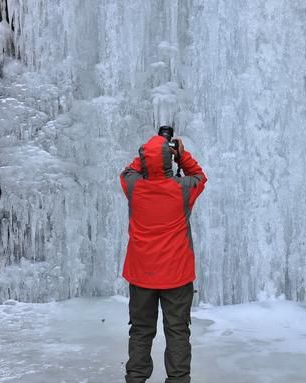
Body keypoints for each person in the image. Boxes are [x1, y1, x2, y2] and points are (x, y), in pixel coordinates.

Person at [119, 129, 207, 383]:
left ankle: (135, 378)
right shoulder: (183, 189)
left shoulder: (134, 187)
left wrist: (148, 153)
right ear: (170, 159)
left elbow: (128, 172)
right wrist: (181, 155)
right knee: (178, 331)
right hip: (177, 277)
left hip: (141, 275)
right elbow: (199, 176)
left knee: (140, 331)